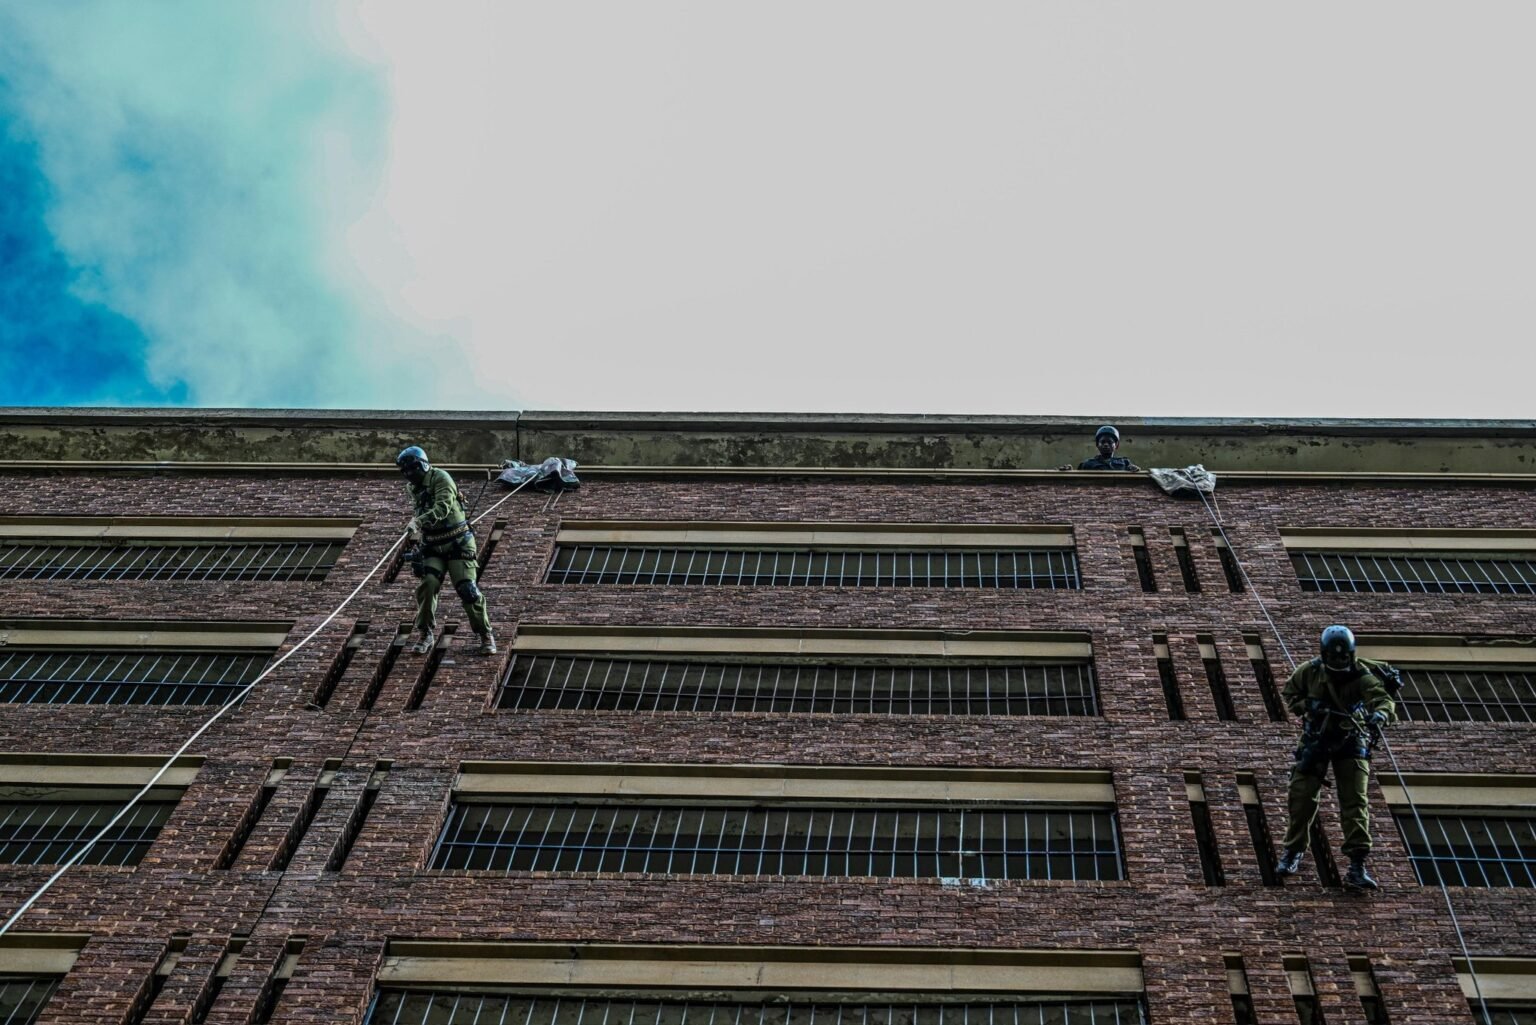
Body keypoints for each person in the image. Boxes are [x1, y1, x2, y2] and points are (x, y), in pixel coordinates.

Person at [1275, 625, 1395, 890]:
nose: (1339, 661)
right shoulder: (1310, 671)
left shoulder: (1362, 675)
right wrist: (1309, 707)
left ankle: (1357, 865)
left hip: (1351, 741)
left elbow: (1383, 700)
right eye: (1334, 657)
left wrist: (1380, 715)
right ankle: (1293, 851)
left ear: (1350, 655)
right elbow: (1290, 694)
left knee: (1355, 803)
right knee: (1301, 796)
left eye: (1343, 657)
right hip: (1316, 739)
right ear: (1324, 654)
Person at [396, 446, 496, 655]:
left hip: (457, 542)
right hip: (432, 545)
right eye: (405, 471)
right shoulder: (412, 488)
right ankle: (425, 633)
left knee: (467, 589)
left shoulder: (441, 478)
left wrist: (419, 521)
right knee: (428, 584)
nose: (410, 474)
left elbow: (443, 507)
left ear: (422, 465)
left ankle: (485, 633)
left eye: (413, 469)